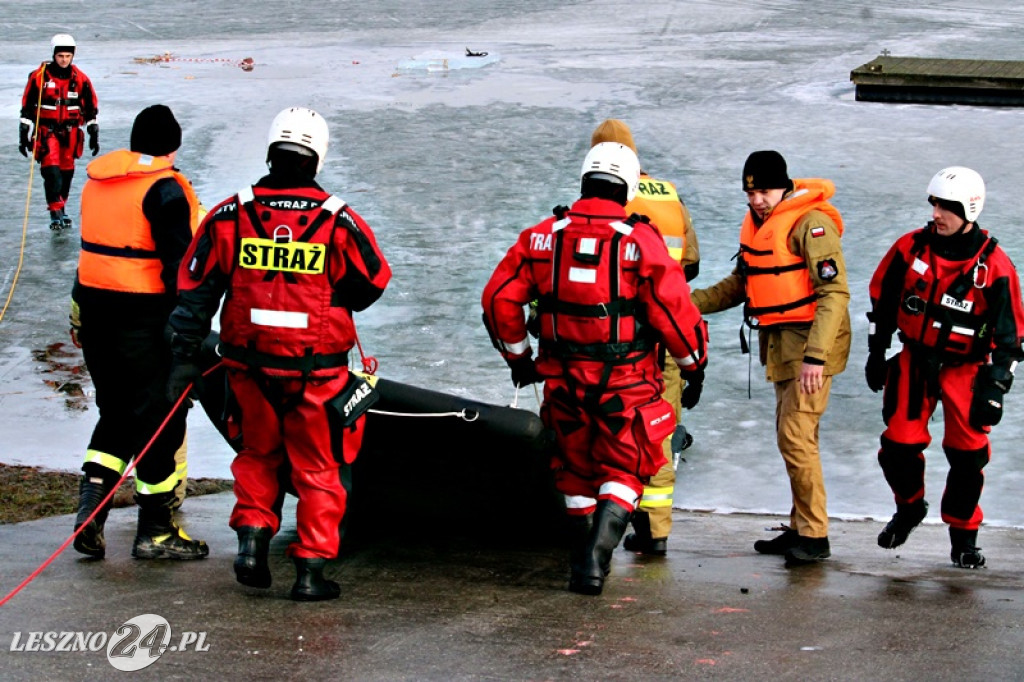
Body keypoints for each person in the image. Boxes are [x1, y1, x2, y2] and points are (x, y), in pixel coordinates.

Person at [165, 107, 392, 601]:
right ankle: (310, 572)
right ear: (318, 156)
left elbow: (196, 293)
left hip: (247, 369)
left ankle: (251, 543)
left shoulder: (229, 214)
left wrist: (183, 359)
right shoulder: (338, 219)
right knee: (319, 470)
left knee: (257, 455)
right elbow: (371, 284)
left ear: (271, 151)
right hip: (317, 377)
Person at [481, 141, 708, 596]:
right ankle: (594, 560)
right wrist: (694, 365)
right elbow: (675, 312)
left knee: (575, 471)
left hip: (562, 380)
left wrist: (519, 360)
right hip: (626, 383)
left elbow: (498, 299)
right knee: (625, 470)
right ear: (627, 188)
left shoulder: (542, 236)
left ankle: (582, 561)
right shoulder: (640, 240)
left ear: (584, 181)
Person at [691, 150, 850, 566]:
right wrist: (685, 303)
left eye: (764, 191)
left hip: (812, 345)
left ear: (783, 186)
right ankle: (801, 527)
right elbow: (739, 284)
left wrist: (816, 357)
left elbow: (835, 294)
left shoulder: (811, 225)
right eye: (750, 193)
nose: (757, 200)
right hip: (781, 343)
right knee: (794, 436)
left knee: (795, 436)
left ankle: (814, 536)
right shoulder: (758, 224)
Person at [866, 166, 1024, 568]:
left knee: (968, 457)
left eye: (947, 207)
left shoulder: (996, 267)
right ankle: (909, 508)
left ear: (970, 209)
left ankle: (964, 537)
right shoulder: (910, 249)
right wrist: (877, 351)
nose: (936, 213)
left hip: (966, 369)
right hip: (914, 359)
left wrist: (996, 388)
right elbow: (883, 303)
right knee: (897, 447)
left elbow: (1010, 338)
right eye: (934, 204)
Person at [71, 104, 207, 561]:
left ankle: (91, 512)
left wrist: (77, 315)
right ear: (173, 147)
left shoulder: (97, 184)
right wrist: (188, 331)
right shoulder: (164, 189)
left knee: (115, 413)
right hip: (144, 322)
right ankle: (156, 531)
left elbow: (92, 253)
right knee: (160, 422)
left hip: (95, 316)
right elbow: (180, 269)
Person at [589, 119, 700, 557]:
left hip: (617, 340)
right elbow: (691, 263)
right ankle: (654, 530)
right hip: (666, 331)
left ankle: (599, 525)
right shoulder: (670, 196)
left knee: (604, 430)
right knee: (659, 427)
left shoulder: (607, 198)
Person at [20, 34, 99, 231]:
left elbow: (90, 108)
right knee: (52, 173)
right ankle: (55, 212)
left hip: (71, 133)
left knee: (66, 174)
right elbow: (28, 106)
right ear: (54, 55)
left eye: (68, 56)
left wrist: (93, 132)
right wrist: (23, 133)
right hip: (47, 133)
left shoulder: (80, 79)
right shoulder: (39, 77)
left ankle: (61, 206)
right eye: (60, 56)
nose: (64, 60)